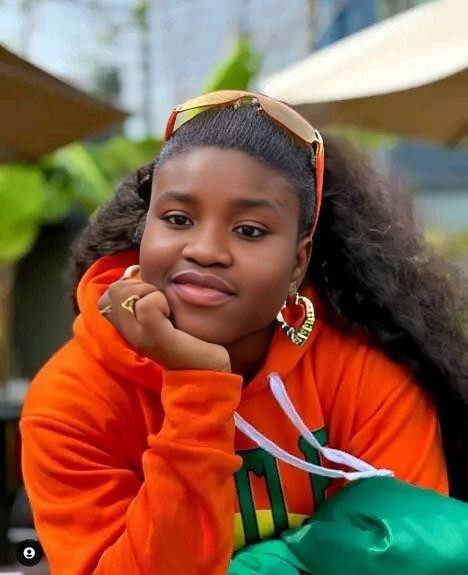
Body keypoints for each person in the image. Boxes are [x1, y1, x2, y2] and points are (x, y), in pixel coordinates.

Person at [20, 91, 468, 575]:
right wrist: (198, 385)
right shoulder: (74, 400)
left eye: (250, 230)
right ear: (145, 229)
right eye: (177, 219)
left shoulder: (360, 377)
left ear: (298, 261)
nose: (206, 250)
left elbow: (423, 558)